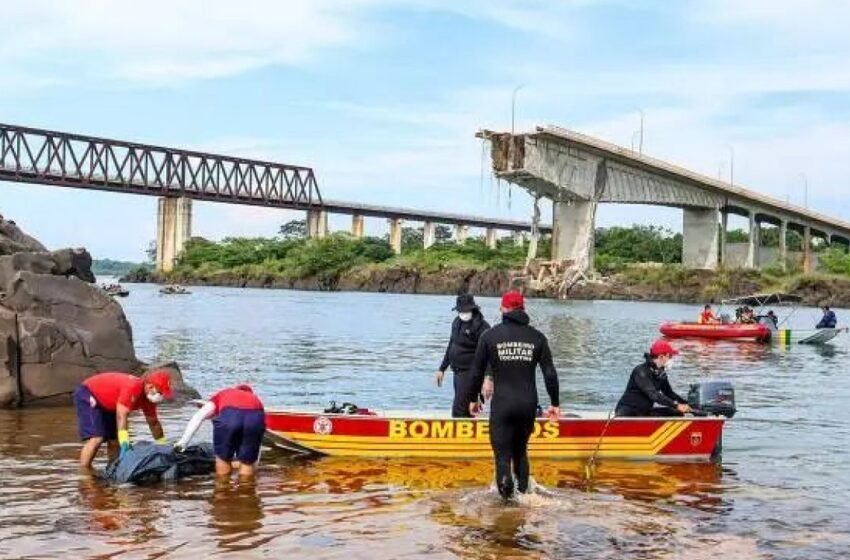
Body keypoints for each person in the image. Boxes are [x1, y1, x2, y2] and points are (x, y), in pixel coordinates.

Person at [467, 290, 559, 500]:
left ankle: (506, 504)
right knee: (520, 452)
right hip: (527, 404)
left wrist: (473, 399)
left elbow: (476, 372)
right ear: (523, 309)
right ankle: (524, 499)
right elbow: (550, 373)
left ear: (504, 309)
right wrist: (554, 403)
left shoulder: (490, 336)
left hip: (503, 404)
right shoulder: (537, 337)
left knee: (502, 457)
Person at [73, 370, 173, 469]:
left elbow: (153, 422)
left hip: (110, 403)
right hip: (89, 393)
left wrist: (162, 444)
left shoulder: (149, 399)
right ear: (150, 386)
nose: (161, 396)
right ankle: (84, 473)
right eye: (160, 392)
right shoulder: (133, 387)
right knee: (97, 438)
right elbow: (121, 415)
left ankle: (113, 468)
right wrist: (125, 442)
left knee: (114, 441)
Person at [174, 384, 266, 478]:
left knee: (224, 459)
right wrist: (252, 460)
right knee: (247, 463)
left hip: (230, 417)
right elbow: (259, 437)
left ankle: (223, 488)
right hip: (255, 417)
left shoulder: (224, 394)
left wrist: (183, 442)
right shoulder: (255, 399)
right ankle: (245, 489)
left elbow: (199, 416)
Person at [435, 294, 491, 418]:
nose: (463, 313)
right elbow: (451, 345)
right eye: (460, 310)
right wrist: (442, 368)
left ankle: (461, 434)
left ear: (473, 309)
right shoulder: (457, 322)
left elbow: (488, 355)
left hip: (471, 373)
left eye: (465, 310)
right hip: (457, 371)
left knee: (459, 410)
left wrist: (487, 378)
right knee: (463, 407)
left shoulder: (482, 327)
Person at [615, 340, 691, 417]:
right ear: (661, 357)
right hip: (628, 412)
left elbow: (669, 393)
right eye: (670, 356)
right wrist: (676, 405)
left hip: (644, 411)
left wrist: (686, 404)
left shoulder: (661, 374)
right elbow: (654, 395)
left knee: (676, 413)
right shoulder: (641, 371)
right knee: (676, 408)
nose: (671, 359)